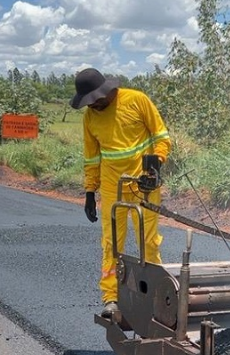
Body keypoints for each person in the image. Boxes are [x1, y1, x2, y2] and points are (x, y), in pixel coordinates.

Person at [69, 68, 171, 317]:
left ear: (107, 91)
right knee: (111, 242)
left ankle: (155, 294)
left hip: (144, 183)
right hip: (111, 185)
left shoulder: (137, 100)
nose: (93, 105)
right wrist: (90, 192)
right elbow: (91, 158)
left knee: (147, 240)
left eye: (96, 99)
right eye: (88, 102)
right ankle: (111, 298)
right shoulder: (90, 117)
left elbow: (161, 136)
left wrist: (155, 164)